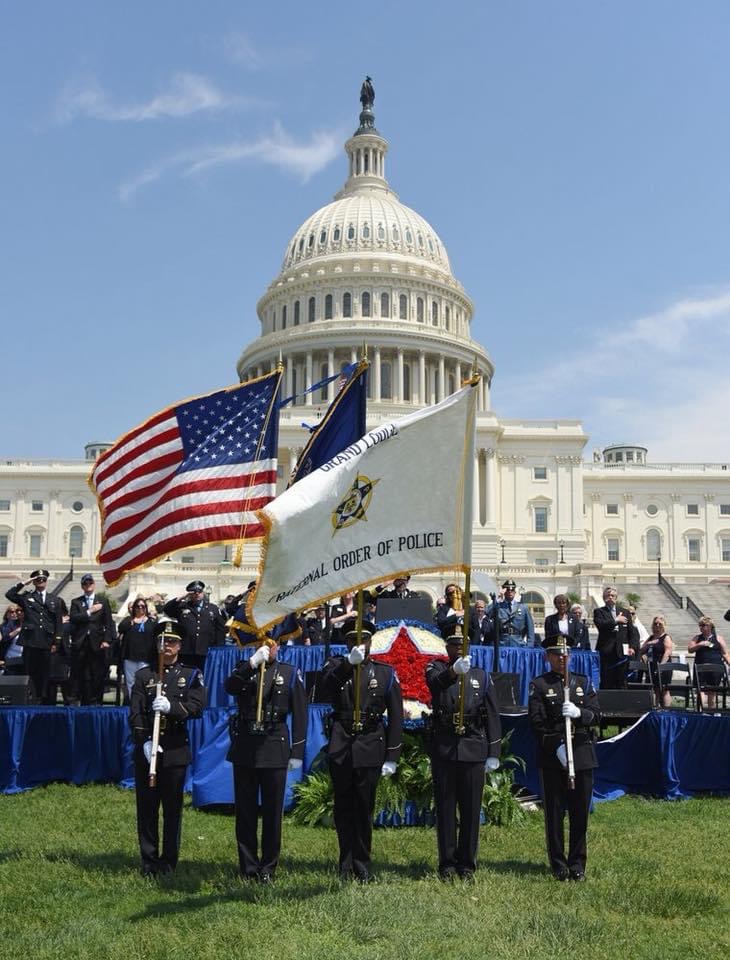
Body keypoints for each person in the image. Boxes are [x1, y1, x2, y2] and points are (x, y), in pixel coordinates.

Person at [320, 618, 403, 882]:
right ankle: (345, 864)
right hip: (342, 742)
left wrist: (392, 756)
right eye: (352, 640)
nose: (359, 644)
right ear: (346, 643)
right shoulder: (335, 665)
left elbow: (397, 717)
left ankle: (362, 863)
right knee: (343, 806)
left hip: (370, 743)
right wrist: (348, 665)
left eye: (363, 640)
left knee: (364, 807)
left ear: (370, 642)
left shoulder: (385, 673)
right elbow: (326, 687)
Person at [224, 637, 307, 882]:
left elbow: (301, 714)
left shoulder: (289, 672)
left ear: (278, 647)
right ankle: (248, 867)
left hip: (274, 744)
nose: (267, 648)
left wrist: (298, 752)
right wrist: (251, 664)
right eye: (262, 643)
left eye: (271, 644)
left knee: (272, 813)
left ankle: (268, 868)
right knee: (246, 812)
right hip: (246, 745)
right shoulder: (244, 667)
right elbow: (229, 687)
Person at [129, 620, 206, 877]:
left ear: (180, 646)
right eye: (162, 641)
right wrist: (144, 741)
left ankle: (168, 861)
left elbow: (196, 707)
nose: (167, 646)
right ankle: (149, 861)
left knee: (172, 809)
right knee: (147, 809)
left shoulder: (191, 675)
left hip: (174, 750)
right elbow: (136, 712)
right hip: (148, 751)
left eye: (171, 642)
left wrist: (171, 707)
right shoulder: (144, 675)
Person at [425, 621, 501, 880]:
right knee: (446, 809)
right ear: (446, 647)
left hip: (473, 746)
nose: (459, 649)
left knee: (470, 810)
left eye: (463, 644)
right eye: (454, 645)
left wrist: (494, 752)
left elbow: (491, 714)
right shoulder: (436, 668)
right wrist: (453, 673)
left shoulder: (480, 675)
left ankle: (467, 864)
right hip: (445, 746)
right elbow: (434, 685)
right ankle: (446, 864)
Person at [528, 641, 600, 881]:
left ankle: (577, 863)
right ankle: (558, 863)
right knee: (555, 813)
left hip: (581, 753)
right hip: (553, 757)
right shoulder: (539, 685)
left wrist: (581, 714)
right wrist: (556, 746)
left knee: (580, 813)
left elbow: (597, 716)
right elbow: (536, 724)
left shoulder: (583, 683)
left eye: (565, 654)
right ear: (548, 656)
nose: (562, 658)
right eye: (557, 654)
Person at [5, 570, 64, 703]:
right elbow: (10, 594)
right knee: (30, 672)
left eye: (43, 579)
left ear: (46, 581)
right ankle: (31, 698)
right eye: (37, 580)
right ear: (34, 582)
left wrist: (57, 642)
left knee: (45, 673)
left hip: (47, 641)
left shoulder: (54, 599)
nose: (40, 582)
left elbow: (58, 623)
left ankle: (44, 700)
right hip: (31, 641)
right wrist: (24, 583)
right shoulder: (27, 597)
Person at [69, 574, 115, 705]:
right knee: (81, 674)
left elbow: (108, 622)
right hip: (81, 643)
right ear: (82, 586)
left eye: (90, 583)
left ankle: (96, 701)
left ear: (94, 584)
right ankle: (83, 700)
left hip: (97, 643)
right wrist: (89, 611)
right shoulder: (76, 602)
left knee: (97, 674)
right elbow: (74, 618)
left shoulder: (102, 601)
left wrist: (107, 640)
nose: (88, 585)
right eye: (85, 583)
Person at [163, 580, 227, 671]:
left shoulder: (213, 608)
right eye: (194, 592)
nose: (197, 594)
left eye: (199, 592)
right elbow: (167, 609)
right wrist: (182, 597)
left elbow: (220, 629)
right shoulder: (183, 607)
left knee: (203, 678)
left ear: (203, 592)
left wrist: (218, 648)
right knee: (185, 677)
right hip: (186, 651)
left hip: (206, 650)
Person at [593, 586, 639, 689]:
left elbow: (632, 633)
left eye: (612, 595)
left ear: (616, 598)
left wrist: (632, 647)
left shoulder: (625, 612)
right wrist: (615, 620)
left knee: (621, 682)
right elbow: (601, 626)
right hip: (606, 653)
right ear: (604, 597)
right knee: (606, 681)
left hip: (622, 654)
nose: (610, 597)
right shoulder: (599, 612)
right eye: (608, 595)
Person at [117, 597, 158, 698]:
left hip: (145, 658)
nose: (140, 608)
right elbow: (120, 628)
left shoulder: (151, 622)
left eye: (143, 606)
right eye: (138, 606)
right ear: (134, 608)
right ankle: (133, 702)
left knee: (145, 681)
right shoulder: (128, 620)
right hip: (130, 657)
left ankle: (144, 703)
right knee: (131, 682)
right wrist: (130, 622)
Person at [688, 616, 730, 710]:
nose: (702, 627)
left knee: (712, 691)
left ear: (710, 626)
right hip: (700, 667)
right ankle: (700, 710)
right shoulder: (697, 638)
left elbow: (725, 653)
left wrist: (729, 663)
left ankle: (711, 711)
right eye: (700, 625)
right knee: (701, 690)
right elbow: (690, 649)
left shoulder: (718, 638)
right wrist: (700, 644)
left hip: (715, 668)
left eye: (704, 625)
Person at [487, 579, 535, 646]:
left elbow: (530, 628)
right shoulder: (498, 606)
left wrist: (529, 646)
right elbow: (487, 613)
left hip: (518, 643)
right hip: (501, 643)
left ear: (515, 592)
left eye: (512, 590)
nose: (510, 592)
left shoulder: (523, 607)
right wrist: (499, 597)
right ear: (504, 592)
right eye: (507, 590)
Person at [640, 614, 674, 708]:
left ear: (664, 625)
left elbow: (667, 653)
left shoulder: (666, 637)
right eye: (655, 623)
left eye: (660, 624)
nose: (657, 625)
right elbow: (642, 649)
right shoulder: (651, 638)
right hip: (651, 666)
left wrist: (661, 667)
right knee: (654, 689)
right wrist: (650, 643)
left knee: (664, 689)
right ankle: (655, 708)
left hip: (663, 666)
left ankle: (666, 710)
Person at [1, 604, 25, 674]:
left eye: (22, 611)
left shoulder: (33, 624)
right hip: (11, 658)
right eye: (18, 611)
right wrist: (19, 630)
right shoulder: (10, 624)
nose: (18, 613)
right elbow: (5, 638)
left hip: (26, 659)